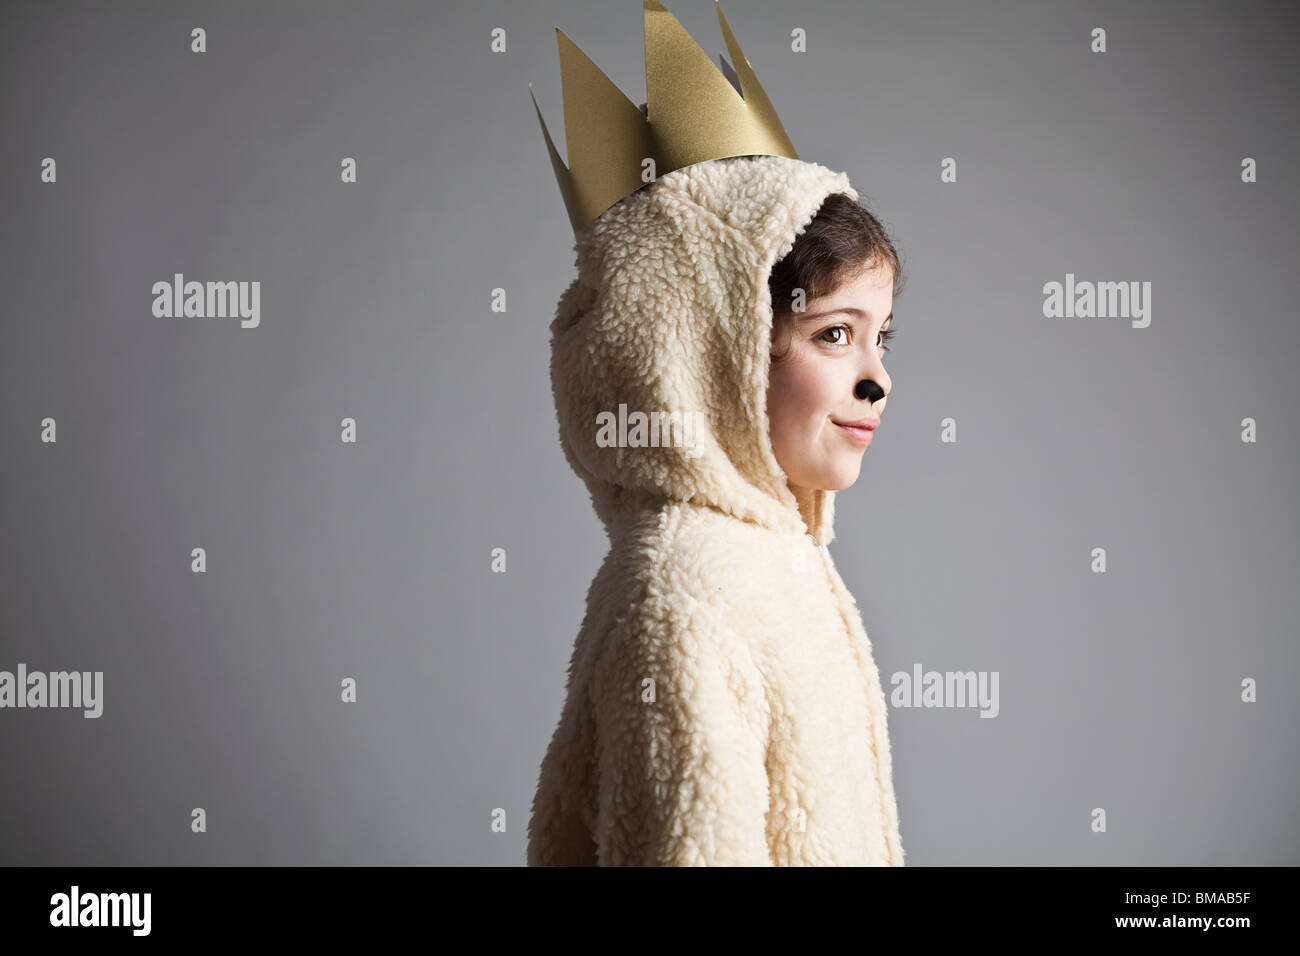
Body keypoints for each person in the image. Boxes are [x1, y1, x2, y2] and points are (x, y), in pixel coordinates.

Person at [526, 153, 907, 865]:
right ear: (710, 355)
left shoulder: (780, 563)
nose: (877, 379)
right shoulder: (684, 602)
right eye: (834, 333)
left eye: (881, 337)